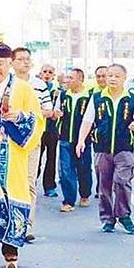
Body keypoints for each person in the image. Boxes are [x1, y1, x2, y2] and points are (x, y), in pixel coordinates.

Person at [0, 40, 44, 268]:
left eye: (1, 63)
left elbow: (37, 120)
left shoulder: (23, 89)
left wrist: (20, 117)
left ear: (10, 63)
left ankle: (10, 250)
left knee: (14, 197)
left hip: (13, 152)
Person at [76, 63, 134, 234]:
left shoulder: (132, 99)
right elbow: (88, 121)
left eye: (117, 76)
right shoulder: (97, 97)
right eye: (110, 75)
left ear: (124, 79)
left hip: (124, 148)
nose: (113, 79)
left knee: (123, 182)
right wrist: (81, 141)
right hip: (102, 148)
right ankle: (108, 219)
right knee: (104, 186)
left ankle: (124, 215)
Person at [11, 48, 54, 242]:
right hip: (8, 142)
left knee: (29, 182)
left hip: (31, 142)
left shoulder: (39, 85)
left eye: (28, 59)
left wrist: (25, 116)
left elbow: (48, 110)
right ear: (12, 62)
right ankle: (10, 222)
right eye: (20, 59)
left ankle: (27, 225)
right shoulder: (7, 84)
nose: (25, 62)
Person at [57, 68, 93, 212]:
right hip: (65, 138)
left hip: (83, 140)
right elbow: (56, 112)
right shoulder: (63, 95)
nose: (68, 80)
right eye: (67, 77)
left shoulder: (90, 96)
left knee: (83, 168)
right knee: (65, 170)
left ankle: (85, 194)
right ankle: (68, 201)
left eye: (71, 78)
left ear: (80, 79)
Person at [38, 64, 62, 198]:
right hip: (38, 129)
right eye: (45, 71)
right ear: (40, 73)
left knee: (51, 158)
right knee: (35, 158)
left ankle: (49, 186)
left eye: (50, 72)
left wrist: (56, 113)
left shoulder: (57, 91)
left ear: (54, 75)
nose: (47, 74)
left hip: (52, 129)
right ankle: (31, 184)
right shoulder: (35, 87)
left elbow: (58, 110)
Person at [89, 65, 108, 197]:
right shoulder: (92, 94)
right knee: (99, 164)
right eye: (98, 76)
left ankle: (106, 188)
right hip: (98, 136)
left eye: (104, 76)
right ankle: (100, 187)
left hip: (116, 137)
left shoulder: (117, 92)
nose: (101, 79)